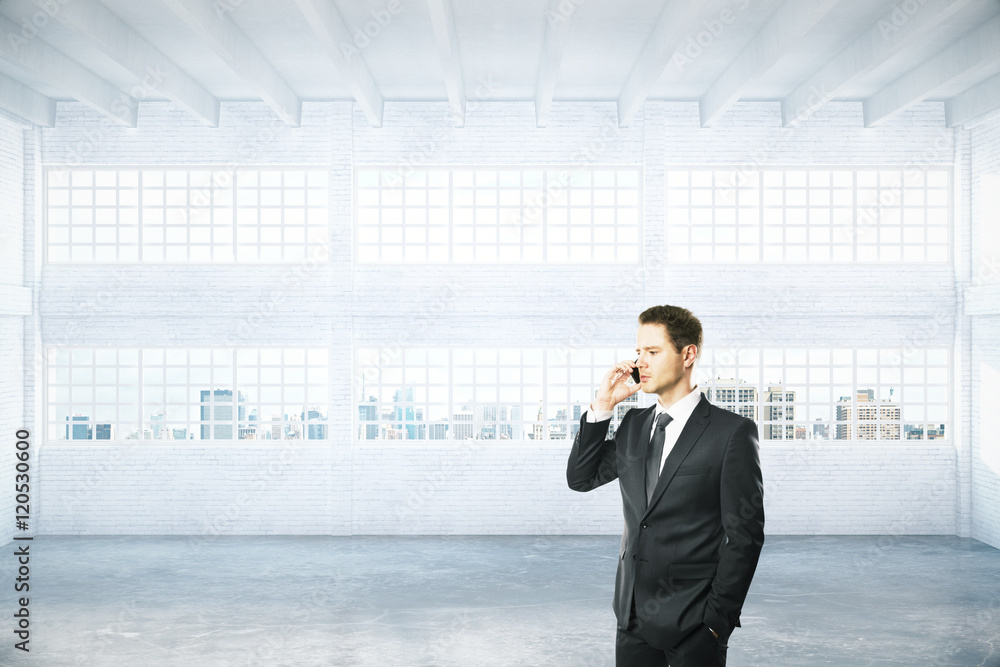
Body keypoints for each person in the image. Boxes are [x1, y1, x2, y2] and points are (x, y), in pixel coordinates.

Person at [566, 305, 764, 666]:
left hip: (694, 625)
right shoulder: (633, 426)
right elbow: (581, 478)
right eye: (639, 351)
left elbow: (745, 536)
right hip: (631, 618)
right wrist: (603, 406)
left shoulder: (730, 433)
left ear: (688, 354)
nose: (641, 362)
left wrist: (716, 624)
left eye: (653, 352)